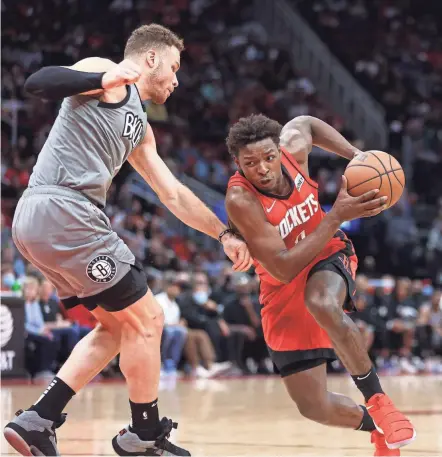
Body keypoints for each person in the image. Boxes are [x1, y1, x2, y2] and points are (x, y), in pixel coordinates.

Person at [4, 24, 252, 457]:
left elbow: (172, 193)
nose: (176, 80)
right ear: (151, 58)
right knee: (150, 319)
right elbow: (38, 82)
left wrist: (224, 233)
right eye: (173, 67)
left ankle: (38, 421)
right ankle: (144, 435)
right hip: (65, 210)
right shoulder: (105, 73)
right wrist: (99, 80)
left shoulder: (139, 128)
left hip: (41, 222)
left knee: (118, 327)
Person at [224, 114, 415, 456]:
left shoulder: (293, 150)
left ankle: (377, 398)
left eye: (269, 158)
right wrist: (336, 215)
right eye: (250, 163)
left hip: (328, 252)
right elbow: (282, 268)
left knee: (323, 302)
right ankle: (379, 428)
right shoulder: (242, 200)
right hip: (281, 283)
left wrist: (358, 157)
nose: (263, 169)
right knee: (313, 407)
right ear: (237, 164)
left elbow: (306, 123)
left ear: (279, 151)